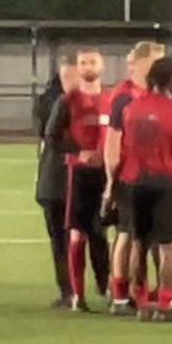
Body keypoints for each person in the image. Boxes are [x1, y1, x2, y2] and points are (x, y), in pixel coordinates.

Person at [103, 56, 172, 322]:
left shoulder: (129, 108)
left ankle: (142, 301)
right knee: (170, 246)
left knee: (139, 242)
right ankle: (166, 303)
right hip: (166, 180)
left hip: (132, 180)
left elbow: (118, 145)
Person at [44, 47, 112, 312]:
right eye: (83, 62)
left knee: (102, 232)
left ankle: (107, 286)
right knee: (77, 234)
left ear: (102, 65)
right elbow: (52, 136)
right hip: (78, 175)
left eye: (92, 61)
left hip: (107, 174)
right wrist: (77, 152)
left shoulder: (112, 97)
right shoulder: (67, 100)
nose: (87, 66)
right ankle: (77, 296)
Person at [105, 41, 165, 316]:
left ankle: (139, 291)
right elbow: (112, 143)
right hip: (130, 176)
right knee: (127, 235)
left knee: (146, 238)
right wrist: (110, 181)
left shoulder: (155, 93)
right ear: (144, 63)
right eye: (157, 61)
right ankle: (119, 296)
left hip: (154, 176)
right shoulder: (124, 97)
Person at [35, 56, 79, 308]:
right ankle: (67, 290)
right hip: (55, 181)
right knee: (60, 239)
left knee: (93, 235)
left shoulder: (96, 97)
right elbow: (49, 134)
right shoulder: (51, 101)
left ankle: (101, 286)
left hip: (83, 179)